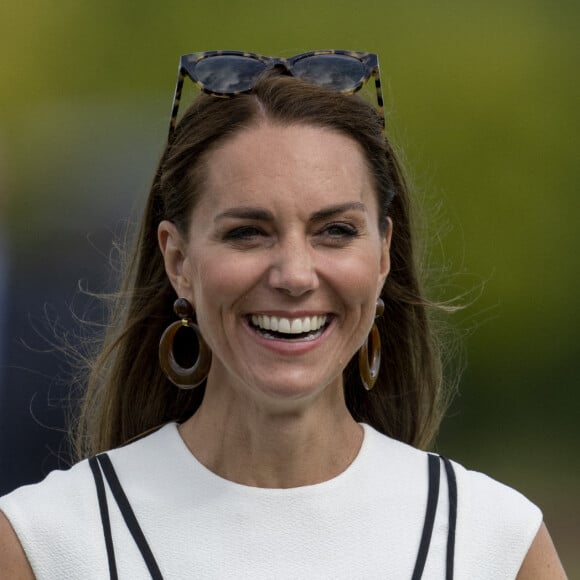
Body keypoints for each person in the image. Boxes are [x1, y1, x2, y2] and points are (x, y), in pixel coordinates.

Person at [0, 50, 566, 579]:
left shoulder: (491, 541)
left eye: (335, 231)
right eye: (247, 232)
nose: (294, 275)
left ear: (383, 254)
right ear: (178, 260)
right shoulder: (45, 542)